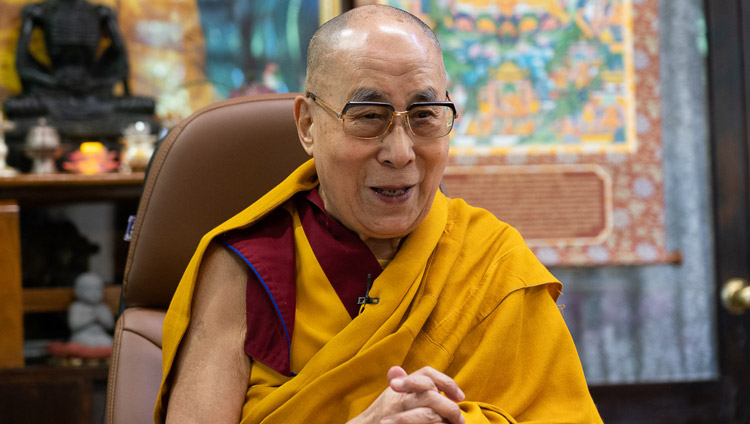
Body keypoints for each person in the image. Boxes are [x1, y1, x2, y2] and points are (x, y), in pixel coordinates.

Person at [155, 5, 602, 423]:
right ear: (308, 126)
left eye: (425, 116)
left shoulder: (492, 263)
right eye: (369, 116)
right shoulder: (247, 268)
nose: (401, 152)